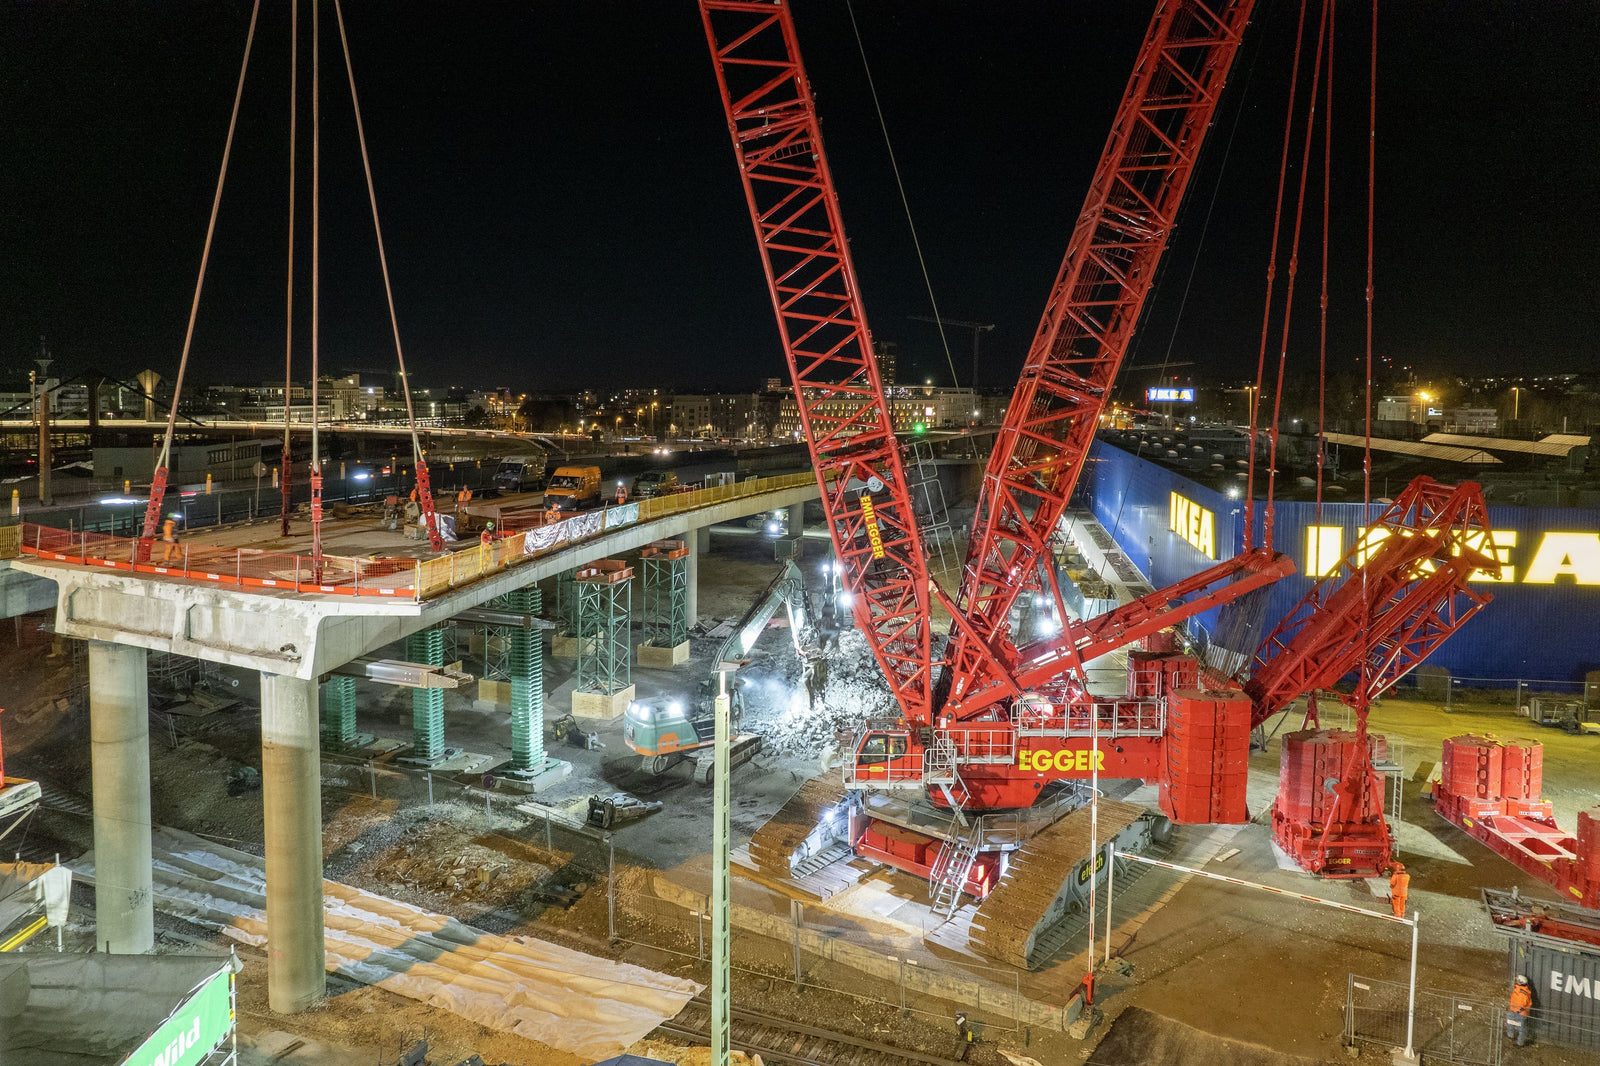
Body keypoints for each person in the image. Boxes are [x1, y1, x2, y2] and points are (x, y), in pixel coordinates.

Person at [1507, 974, 1534, 1046]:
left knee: (1521, 1029)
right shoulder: (1517, 989)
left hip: (1520, 1013)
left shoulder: (1523, 993)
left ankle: (1520, 1043)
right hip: (1514, 1010)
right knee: (1510, 1023)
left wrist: (1517, 1011)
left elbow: (1523, 1004)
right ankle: (1510, 1035)